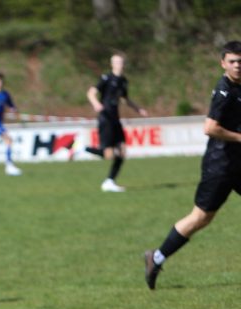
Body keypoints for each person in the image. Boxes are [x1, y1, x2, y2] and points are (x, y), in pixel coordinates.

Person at [144, 41, 241, 290]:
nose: (237, 65)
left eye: (240, 61)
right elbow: (210, 128)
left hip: (238, 162)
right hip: (220, 166)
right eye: (232, 61)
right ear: (223, 63)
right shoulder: (223, 91)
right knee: (201, 218)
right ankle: (156, 258)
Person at [85, 53, 148, 192]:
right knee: (108, 154)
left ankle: (110, 181)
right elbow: (91, 93)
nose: (120, 65)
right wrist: (96, 104)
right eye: (117, 62)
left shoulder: (123, 81)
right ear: (112, 64)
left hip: (115, 119)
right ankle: (81, 149)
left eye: (122, 62)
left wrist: (138, 109)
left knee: (122, 151)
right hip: (105, 118)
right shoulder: (106, 78)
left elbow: (125, 99)